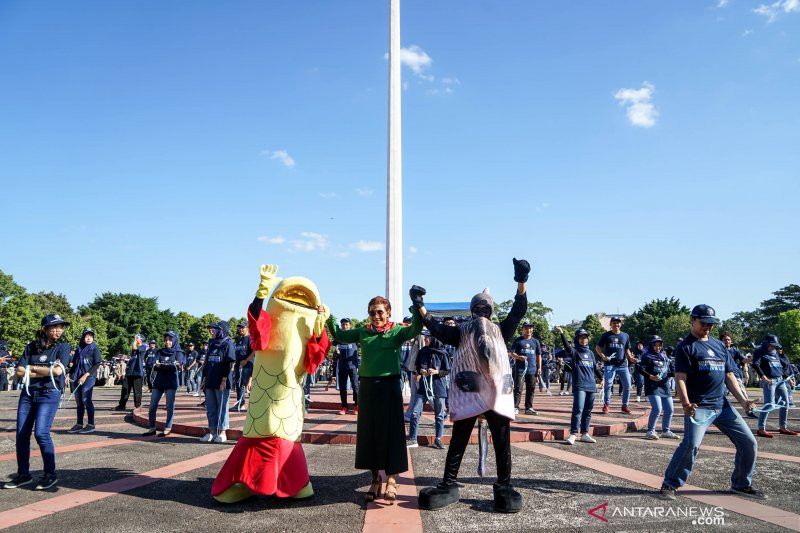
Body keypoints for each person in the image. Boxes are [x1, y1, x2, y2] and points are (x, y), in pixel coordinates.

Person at [416, 258, 530, 513]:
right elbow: (435, 328)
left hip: (497, 392)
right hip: (469, 391)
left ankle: (504, 485)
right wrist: (420, 307)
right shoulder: (461, 332)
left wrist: (521, 282)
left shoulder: (502, 329)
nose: (482, 313)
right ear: (471, 310)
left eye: (485, 308)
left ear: (491, 311)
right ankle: (448, 483)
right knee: (458, 440)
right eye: (477, 308)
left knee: (502, 442)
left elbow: (518, 311)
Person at [659, 304, 764, 501]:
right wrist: (686, 404)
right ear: (693, 320)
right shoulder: (686, 347)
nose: (708, 327)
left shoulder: (719, 346)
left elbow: (729, 375)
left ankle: (741, 484)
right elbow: (680, 378)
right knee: (691, 445)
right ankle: (670, 483)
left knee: (749, 443)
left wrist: (743, 400)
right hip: (699, 407)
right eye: (704, 323)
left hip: (722, 406)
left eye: (712, 324)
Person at [326, 291, 422, 503]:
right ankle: (375, 479)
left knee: (393, 433)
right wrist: (328, 317)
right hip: (368, 387)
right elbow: (340, 335)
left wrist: (416, 306)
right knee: (370, 434)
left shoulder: (397, 331)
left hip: (390, 386)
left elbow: (416, 328)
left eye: (379, 312)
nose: (376, 316)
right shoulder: (362, 332)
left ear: (388, 313)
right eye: (372, 312)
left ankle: (392, 480)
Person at [3, 314, 70, 490]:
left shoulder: (63, 347)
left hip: (49, 394)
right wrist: (43, 370)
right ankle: (23, 474)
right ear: (45, 329)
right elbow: (18, 371)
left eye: (61, 327)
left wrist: (31, 368)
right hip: (28, 393)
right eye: (54, 327)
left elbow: (56, 371)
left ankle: (50, 474)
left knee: (41, 433)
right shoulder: (32, 346)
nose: (58, 330)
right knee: (21, 433)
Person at [555, 326, 603, 445]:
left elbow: (595, 368)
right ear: (577, 339)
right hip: (579, 385)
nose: (583, 340)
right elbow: (567, 347)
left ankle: (585, 433)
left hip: (591, 386)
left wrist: (602, 378)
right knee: (578, 410)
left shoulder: (590, 353)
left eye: (585, 337)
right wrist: (562, 334)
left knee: (588, 411)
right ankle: (573, 434)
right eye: (581, 338)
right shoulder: (575, 352)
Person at [407, 333, 450, 449]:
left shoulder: (443, 353)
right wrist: (420, 370)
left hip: (438, 387)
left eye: (428, 337)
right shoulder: (422, 351)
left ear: (434, 339)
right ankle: (413, 439)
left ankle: (438, 439)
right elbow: (416, 366)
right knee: (415, 412)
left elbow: (447, 370)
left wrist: (436, 372)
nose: (425, 339)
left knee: (439, 415)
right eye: (425, 337)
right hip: (423, 387)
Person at [752, 334, 797, 437]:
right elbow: (755, 364)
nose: (774, 347)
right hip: (770, 381)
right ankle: (761, 428)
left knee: (785, 403)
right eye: (772, 345)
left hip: (780, 380)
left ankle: (783, 427)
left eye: (775, 345)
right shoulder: (759, 351)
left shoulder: (774, 352)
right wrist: (763, 377)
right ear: (766, 343)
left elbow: (779, 367)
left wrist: (787, 379)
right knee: (769, 404)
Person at [200, 321, 236, 443]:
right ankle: (212, 431)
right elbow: (206, 362)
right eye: (210, 329)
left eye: (214, 329)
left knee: (222, 407)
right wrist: (204, 378)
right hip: (210, 379)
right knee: (211, 408)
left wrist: (224, 379)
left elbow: (230, 363)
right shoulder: (211, 343)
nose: (211, 331)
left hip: (222, 381)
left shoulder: (228, 343)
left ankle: (222, 432)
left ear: (221, 330)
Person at [142, 331, 183, 437]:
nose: (168, 342)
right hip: (159, 382)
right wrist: (167, 365)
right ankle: (152, 428)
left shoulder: (178, 353)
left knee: (169, 407)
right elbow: (153, 364)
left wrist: (162, 365)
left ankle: (168, 428)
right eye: (166, 340)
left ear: (174, 341)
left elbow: (177, 367)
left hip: (171, 382)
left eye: (170, 340)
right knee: (152, 406)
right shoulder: (159, 351)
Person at [637, 335, 678, 440]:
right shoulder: (647, 356)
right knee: (657, 408)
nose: (657, 347)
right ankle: (650, 430)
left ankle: (666, 431)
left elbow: (670, 372)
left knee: (669, 409)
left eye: (659, 345)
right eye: (655, 345)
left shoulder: (665, 357)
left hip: (664, 386)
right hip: (652, 386)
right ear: (651, 345)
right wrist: (651, 376)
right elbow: (641, 369)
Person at [67, 328, 103, 434]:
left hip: (89, 377)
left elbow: (97, 364)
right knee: (79, 402)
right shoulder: (78, 349)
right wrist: (68, 375)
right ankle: (79, 424)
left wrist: (85, 375)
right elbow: (74, 364)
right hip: (77, 376)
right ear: (83, 337)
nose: (89, 338)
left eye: (91, 336)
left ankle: (91, 424)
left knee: (86, 400)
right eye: (87, 336)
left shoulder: (94, 348)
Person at [596, 316, 635, 413]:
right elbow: (598, 347)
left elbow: (626, 349)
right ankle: (606, 405)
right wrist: (603, 356)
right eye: (614, 323)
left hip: (622, 364)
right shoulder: (606, 335)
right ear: (610, 324)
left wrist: (630, 357)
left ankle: (625, 405)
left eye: (618, 323)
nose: (616, 325)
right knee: (608, 384)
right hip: (610, 364)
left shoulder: (625, 336)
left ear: (621, 324)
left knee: (627, 385)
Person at [720, 333, 755, 418]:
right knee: (721, 394)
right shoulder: (718, 350)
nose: (727, 341)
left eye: (728, 339)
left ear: (731, 341)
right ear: (721, 341)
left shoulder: (735, 350)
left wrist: (753, 357)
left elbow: (744, 360)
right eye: (725, 340)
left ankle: (749, 410)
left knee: (742, 393)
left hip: (735, 374)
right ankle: (719, 412)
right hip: (721, 375)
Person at [510, 322, 541, 415]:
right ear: (522, 329)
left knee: (531, 389)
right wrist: (519, 357)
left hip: (532, 370)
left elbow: (538, 355)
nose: (528, 330)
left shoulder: (535, 341)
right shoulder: (518, 340)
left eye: (530, 328)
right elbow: (512, 353)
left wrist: (539, 368)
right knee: (518, 388)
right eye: (526, 328)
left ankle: (529, 407)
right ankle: (515, 407)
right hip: (520, 369)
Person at [332, 318, 360, 415]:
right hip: (342, 366)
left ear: (350, 326)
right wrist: (336, 353)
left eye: (346, 324)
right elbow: (332, 347)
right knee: (343, 388)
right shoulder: (339, 337)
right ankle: (344, 407)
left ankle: (356, 406)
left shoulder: (355, 336)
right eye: (343, 324)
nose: (344, 326)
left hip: (352, 367)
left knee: (356, 388)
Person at [114, 334, 147, 411]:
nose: (135, 339)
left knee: (137, 391)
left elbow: (135, 348)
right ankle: (122, 405)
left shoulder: (143, 346)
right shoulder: (134, 348)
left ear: (141, 340)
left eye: (137, 338)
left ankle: (137, 406)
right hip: (130, 371)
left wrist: (135, 341)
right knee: (125, 389)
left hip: (137, 371)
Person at [233, 322, 254, 412]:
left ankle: (254, 405)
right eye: (239, 327)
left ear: (247, 328)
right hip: (238, 365)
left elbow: (254, 351)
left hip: (248, 366)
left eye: (242, 327)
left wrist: (246, 360)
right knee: (239, 385)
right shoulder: (239, 339)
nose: (240, 329)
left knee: (249, 386)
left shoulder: (250, 338)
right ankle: (240, 403)